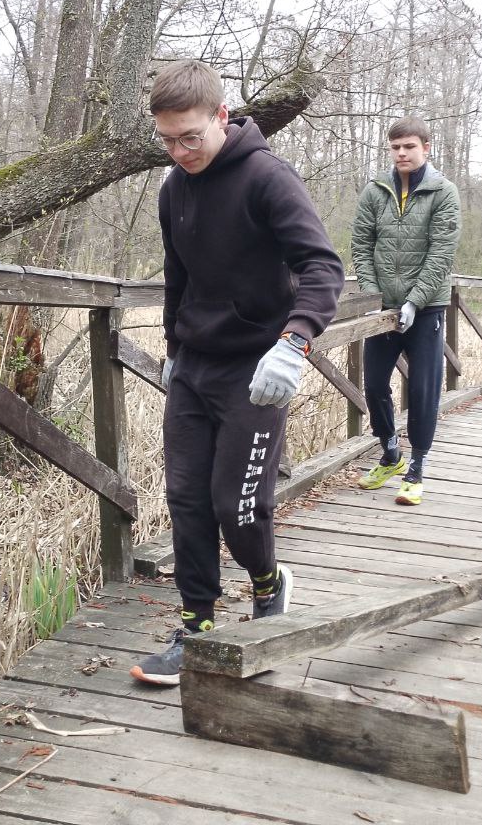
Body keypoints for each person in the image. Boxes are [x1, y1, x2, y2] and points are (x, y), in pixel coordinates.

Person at [131, 59, 345, 686]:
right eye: (167, 140)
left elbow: (322, 267)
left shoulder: (267, 179)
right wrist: (173, 346)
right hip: (195, 365)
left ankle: (268, 583)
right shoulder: (174, 188)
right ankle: (197, 624)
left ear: (221, 117)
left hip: (257, 367)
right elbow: (180, 277)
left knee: (238, 504)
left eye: (190, 136)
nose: (179, 151)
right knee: (186, 500)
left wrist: (295, 341)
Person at [350, 117, 461, 506]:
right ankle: (391, 453)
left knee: (423, 389)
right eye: (395, 147)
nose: (401, 153)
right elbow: (361, 245)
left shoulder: (443, 193)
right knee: (375, 384)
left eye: (409, 146)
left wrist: (415, 299)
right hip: (382, 308)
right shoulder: (375, 191)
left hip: (426, 309)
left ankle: (417, 466)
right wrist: (371, 295)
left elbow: (441, 253)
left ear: (426, 148)